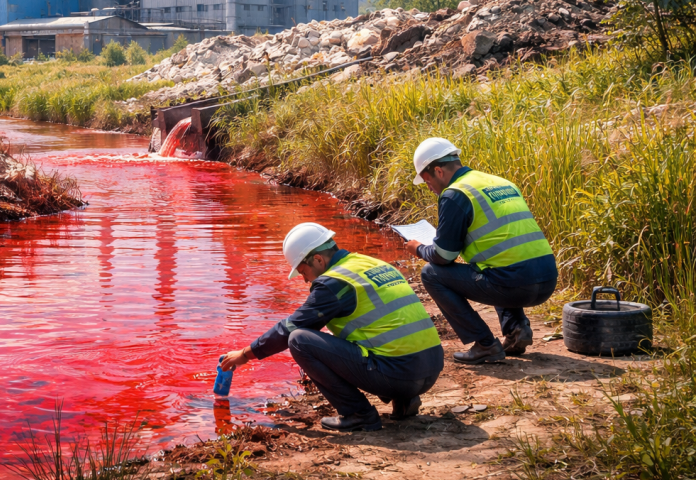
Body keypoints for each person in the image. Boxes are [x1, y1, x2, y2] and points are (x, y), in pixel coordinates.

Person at [220, 223, 444, 433]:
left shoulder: (333, 282)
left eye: (302, 271)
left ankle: (359, 414)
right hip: (431, 368)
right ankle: (404, 398)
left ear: (317, 259)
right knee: (354, 335)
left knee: (299, 340)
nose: (305, 280)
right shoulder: (371, 263)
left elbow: (291, 328)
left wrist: (246, 354)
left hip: (401, 375)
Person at [404, 138, 558, 364]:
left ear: (438, 171)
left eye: (427, 181)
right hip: (546, 280)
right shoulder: (500, 182)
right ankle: (517, 329)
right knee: (494, 263)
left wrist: (418, 248)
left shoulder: (454, 194)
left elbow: (444, 256)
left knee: (431, 273)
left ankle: (485, 345)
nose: (428, 187)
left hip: (516, 285)